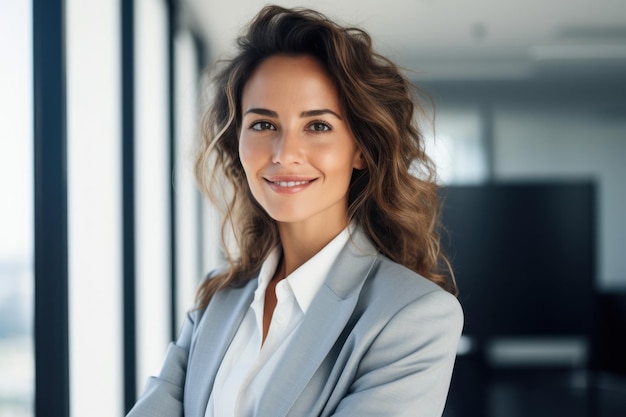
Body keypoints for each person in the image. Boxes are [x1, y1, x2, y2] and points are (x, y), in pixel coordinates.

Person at [127, 5, 462, 417]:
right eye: (263, 125)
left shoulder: (414, 316)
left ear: (360, 148)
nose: (284, 154)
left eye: (317, 126)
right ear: (239, 142)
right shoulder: (218, 298)